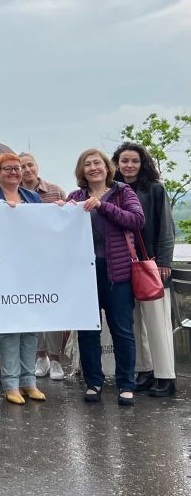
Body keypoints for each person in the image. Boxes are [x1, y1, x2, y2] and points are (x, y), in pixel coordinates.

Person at [66, 148, 144, 406]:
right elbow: (60, 229)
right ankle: (94, 383)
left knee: (122, 329)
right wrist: (59, 211)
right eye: (87, 164)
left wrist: (104, 206)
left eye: (97, 163)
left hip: (117, 272)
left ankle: (126, 384)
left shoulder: (122, 193)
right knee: (88, 331)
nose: (92, 168)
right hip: (84, 273)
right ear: (82, 170)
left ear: (106, 167)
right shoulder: (75, 197)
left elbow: (136, 220)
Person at [0, 154, 45, 405]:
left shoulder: (33, 198)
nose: (14, 172)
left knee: (30, 328)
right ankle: (11, 384)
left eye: (17, 168)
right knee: (8, 329)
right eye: (7, 169)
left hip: (30, 271)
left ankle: (29, 381)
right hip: (1, 273)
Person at [113, 142, 176, 397]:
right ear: (116, 164)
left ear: (143, 163)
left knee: (158, 324)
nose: (129, 165)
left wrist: (164, 262)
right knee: (135, 324)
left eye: (134, 161)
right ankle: (145, 371)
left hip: (151, 265)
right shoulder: (115, 191)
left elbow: (166, 228)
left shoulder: (155, 189)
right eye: (124, 161)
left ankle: (166, 377)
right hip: (126, 266)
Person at [19, 152, 69, 382]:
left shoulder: (55, 191)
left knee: (54, 310)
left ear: (37, 166)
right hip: (25, 261)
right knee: (33, 310)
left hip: (53, 261)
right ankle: (41, 357)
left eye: (30, 165)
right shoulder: (13, 193)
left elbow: (69, 221)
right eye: (22, 166)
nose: (27, 170)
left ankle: (56, 358)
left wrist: (63, 209)